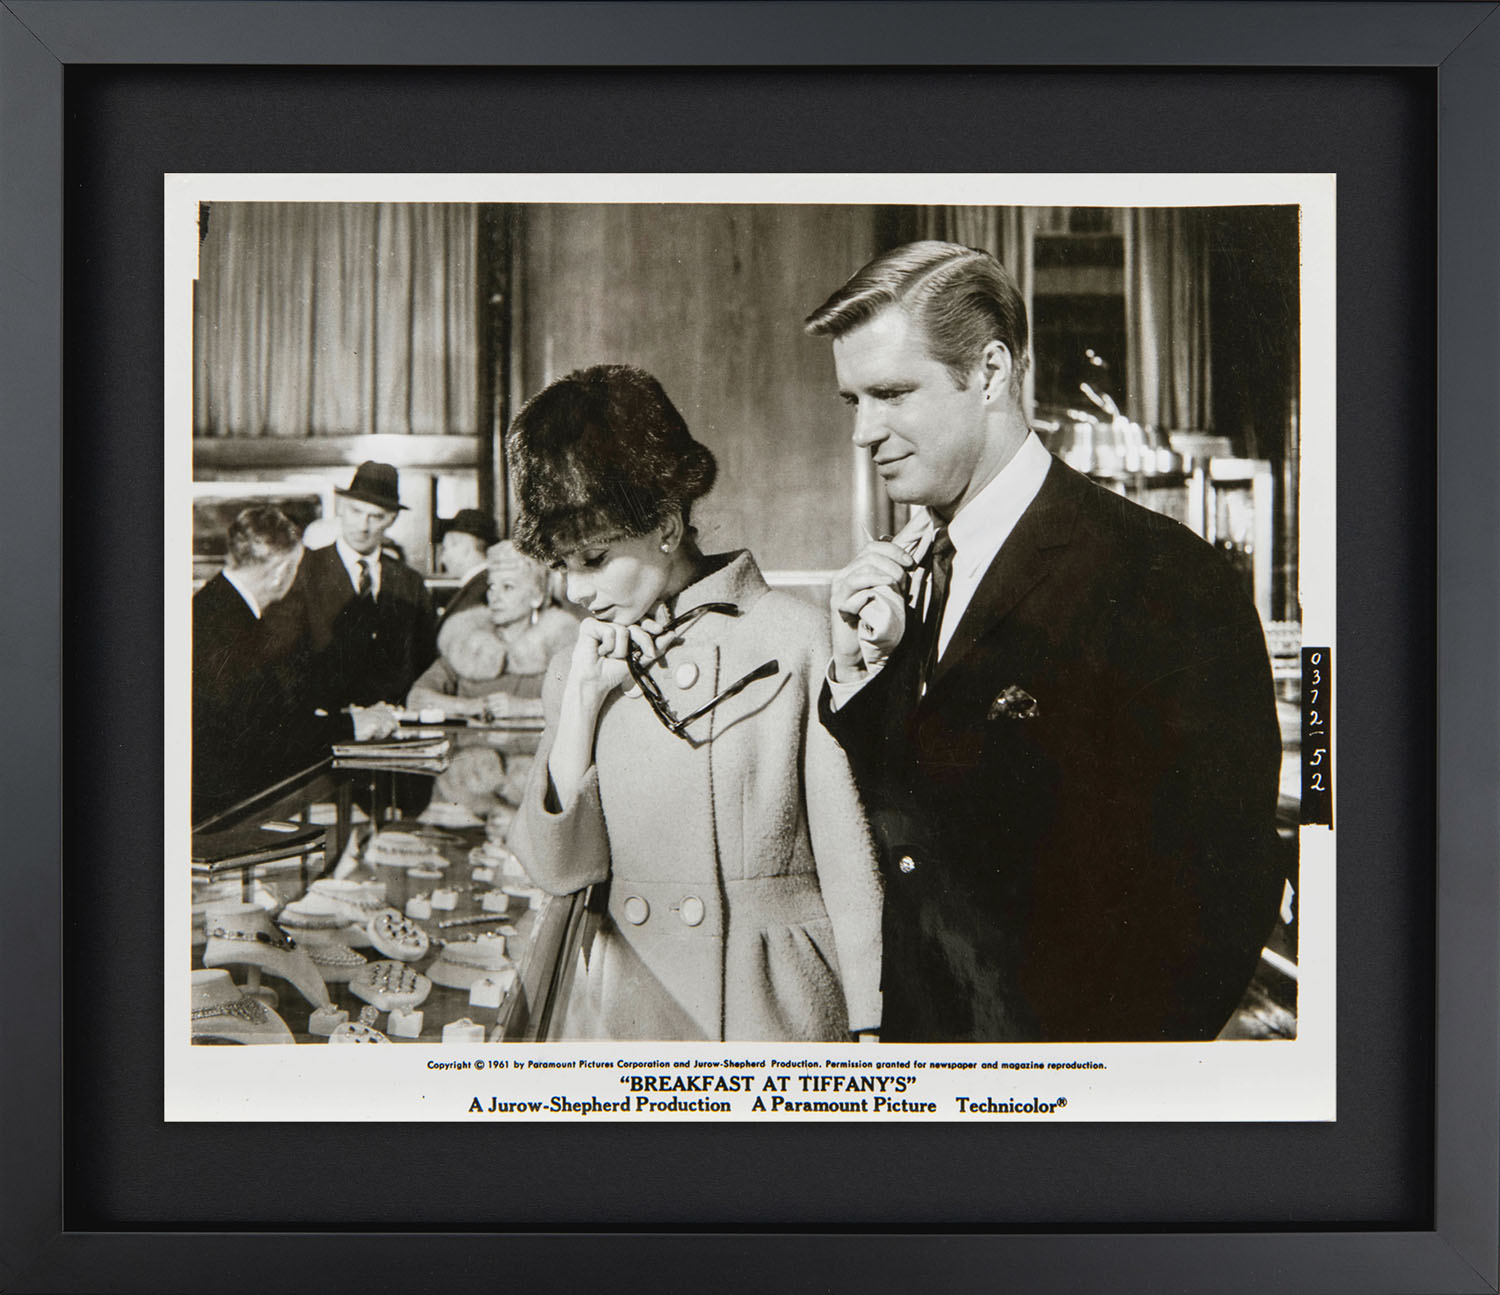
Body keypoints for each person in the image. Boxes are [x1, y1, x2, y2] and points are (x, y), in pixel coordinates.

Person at [807, 240, 1284, 1043]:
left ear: (991, 372)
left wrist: (1096, 1087)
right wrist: (861, 677)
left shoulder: (1165, 577)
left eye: (891, 393)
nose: (864, 432)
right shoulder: (911, 569)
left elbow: (1228, 891)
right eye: (853, 400)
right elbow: (923, 836)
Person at [505, 364, 882, 1043]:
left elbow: (851, 865)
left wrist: (872, 1029)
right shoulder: (577, 667)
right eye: (561, 565)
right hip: (630, 1018)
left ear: (666, 525)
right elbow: (559, 874)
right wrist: (583, 703)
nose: (576, 591)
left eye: (594, 559)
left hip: (774, 1014)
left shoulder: (798, 638)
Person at [192, 506, 395, 821]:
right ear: (280, 572)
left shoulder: (213, 607)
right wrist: (351, 726)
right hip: (221, 812)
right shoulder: (234, 631)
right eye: (296, 570)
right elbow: (268, 737)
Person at [267, 461, 437, 715]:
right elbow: (280, 656)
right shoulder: (303, 570)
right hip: (324, 722)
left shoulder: (409, 582)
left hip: (392, 721)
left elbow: (425, 659)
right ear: (342, 508)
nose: (362, 526)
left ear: (391, 519)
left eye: (376, 517)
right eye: (356, 511)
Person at [407, 540, 579, 718]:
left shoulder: (560, 645)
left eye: (508, 587)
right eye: (491, 586)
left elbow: (579, 703)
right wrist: (472, 706)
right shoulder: (466, 641)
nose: (495, 597)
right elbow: (417, 698)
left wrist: (523, 708)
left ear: (537, 596)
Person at [434, 507, 499, 630]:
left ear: (465, 547)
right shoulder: (483, 584)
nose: (443, 559)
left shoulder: (482, 590)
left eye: (445, 549)